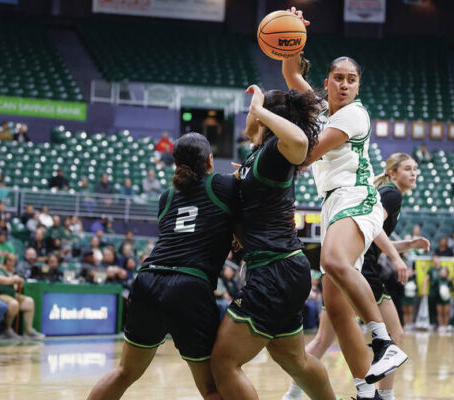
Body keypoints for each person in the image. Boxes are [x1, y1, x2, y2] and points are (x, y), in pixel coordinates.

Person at [281, 11, 407, 395]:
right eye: (339, 78)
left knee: (334, 261)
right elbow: (290, 75)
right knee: (334, 309)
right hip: (332, 204)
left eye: (352, 80)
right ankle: (365, 388)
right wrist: (292, 34)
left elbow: (306, 155)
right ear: (328, 82)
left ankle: (384, 342)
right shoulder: (321, 109)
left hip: (358, 198)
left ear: (357, 87)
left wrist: (263, 164)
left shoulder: (354, 114)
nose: (345, 84)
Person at [87, 133, 237, 400]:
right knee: (211, 387)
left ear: (175, 163)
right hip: (189, 285)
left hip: (148, 280)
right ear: (210, 162)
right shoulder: (223, 186)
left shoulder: (166, 198)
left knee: (124, 373)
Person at [210, 84, 335, 400]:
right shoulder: (257, 156)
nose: (249, 116)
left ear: (268, 119)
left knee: (224, 362)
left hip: (274, 270)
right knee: (294, 359)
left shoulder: (274, 153)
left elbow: (300, 140)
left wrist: (260, 108)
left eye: (254, 112)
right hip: (283, 269)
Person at [283, 153, 430, 400]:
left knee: (322, 340)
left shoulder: (385, 193)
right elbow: (373, 226)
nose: (413, 173)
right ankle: (385, 396)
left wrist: (405, 246)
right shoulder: (391, 194)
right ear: (392, 173)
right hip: (363, 271)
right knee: (395, 334)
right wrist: (396, 257)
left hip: (345, 266)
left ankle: (292, 394)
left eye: (415, 169)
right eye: (407, 169)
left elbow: (371, 233)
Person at [0, 254, 45, 339]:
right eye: (9, 261)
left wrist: (18, 282)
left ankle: (28, 331)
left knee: (29, 301)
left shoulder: (3, 270)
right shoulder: (1, 269)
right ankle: (7, 330)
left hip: (12, 293)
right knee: (13, 304)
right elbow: (2, 280)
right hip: (0, 294)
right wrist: (14, 279)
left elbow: (15, 283)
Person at [423, 255, 442, 328]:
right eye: (434, 259)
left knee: (440, 308)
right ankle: (431, 323)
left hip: (440, 291)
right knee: (431, 307)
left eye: (436, 259)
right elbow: (426, 279)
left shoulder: (442, 269)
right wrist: (424, 290)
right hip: (432, 291)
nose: (435, 260)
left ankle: (440, 324)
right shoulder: (431, 270)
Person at [435, 267, 453, 332]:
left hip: (446, 299)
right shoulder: (437, 280)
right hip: (439, 299)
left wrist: (446, 291)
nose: (442, 273)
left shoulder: (448, 281)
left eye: (444, 272)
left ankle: (445, 325)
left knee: (446, 312)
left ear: (447, 273)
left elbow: (452, 288)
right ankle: (441, 325)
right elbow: (434, 288)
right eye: (441, 272)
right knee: (439, 312)